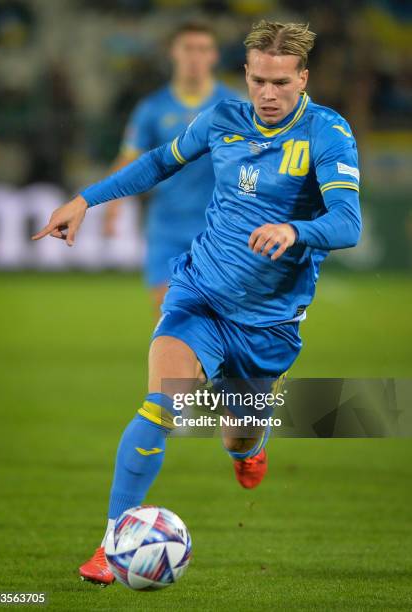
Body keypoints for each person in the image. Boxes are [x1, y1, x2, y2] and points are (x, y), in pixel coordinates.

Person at [32, 21, 362, 586]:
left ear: (303, 78)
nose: (269, 94)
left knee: (237, 431)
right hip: (200, 292)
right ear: (246, 75)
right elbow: (161, 160)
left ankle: (249, 444)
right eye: (259, 80)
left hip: (269, 323)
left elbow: (347, 222)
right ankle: (112, 545)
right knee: (163, 406)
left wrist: (294, 231)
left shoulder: (328, 133)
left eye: (282, 82)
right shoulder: (224, 119)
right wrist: (86, 198)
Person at [104, 21, 240, 316]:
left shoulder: (233, 106)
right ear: (173, 53)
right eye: (188, 48)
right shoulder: (152, 108)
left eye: (203, 49)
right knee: (170, 314)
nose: (195, 56)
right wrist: (112, 202)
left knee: (215, 320)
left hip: (217, 229)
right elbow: (130, 157)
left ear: (214, 56)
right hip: (166, 226)